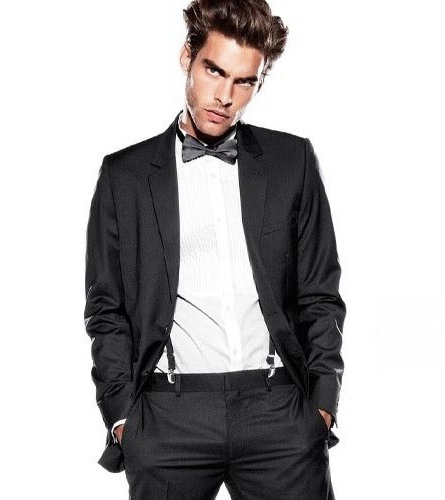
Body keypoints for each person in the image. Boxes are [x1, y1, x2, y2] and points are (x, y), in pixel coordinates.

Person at [84, 0, 346, 498]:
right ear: (187, 56)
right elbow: (106, 307)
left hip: (279, 410)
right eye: (214, 71)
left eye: (244, 81)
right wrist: (122, 417)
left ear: (259, 82)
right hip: (168, 416)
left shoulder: (292, 161)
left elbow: (320, 292)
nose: (225, 96)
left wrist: (322, 403)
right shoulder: (124, 175)